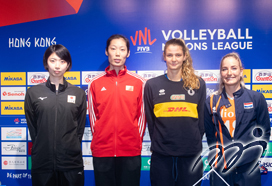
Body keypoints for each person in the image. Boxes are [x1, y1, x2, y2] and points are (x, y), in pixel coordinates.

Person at [144, 38, 206, 186]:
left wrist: (191, 142)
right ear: (164, 56)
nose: (174, 59)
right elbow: (151, 122)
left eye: (178, 55)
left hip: (191, 156)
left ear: (185, 56)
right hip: (162, 157)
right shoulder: (152, 85)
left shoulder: (198, 84)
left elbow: (202, 120)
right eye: (170, 55)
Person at [204, 52, 271, 186]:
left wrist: (251, 156)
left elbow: (265, 132)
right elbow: (210, 135)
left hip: (248, 169)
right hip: (221, 168)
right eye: (225, 69)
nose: (229, 73)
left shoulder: (256, 98)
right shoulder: (211, 101)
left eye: (234, 68)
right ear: (221, 73)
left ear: (241, 71)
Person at [87, 34, 146, 186]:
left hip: (130, 151)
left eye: (122, 49)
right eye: (113, 49)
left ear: (128, 53)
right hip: (102, 151)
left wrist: (134, 142)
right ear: (107, 52)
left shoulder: (139, 83)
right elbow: (94, 119)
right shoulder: (95, 83)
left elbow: (142, 117)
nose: (117, 53)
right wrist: (102, 139)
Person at [24, 44, 87, 186]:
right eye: (53, 61)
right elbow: (33, 128)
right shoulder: (33, 93)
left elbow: (79, 129)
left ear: (68, 64)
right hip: (42, 164)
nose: (57, 66)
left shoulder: (78, 93)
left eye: (62, 61)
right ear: (46, 62)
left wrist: (71, 147)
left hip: (71, 164)